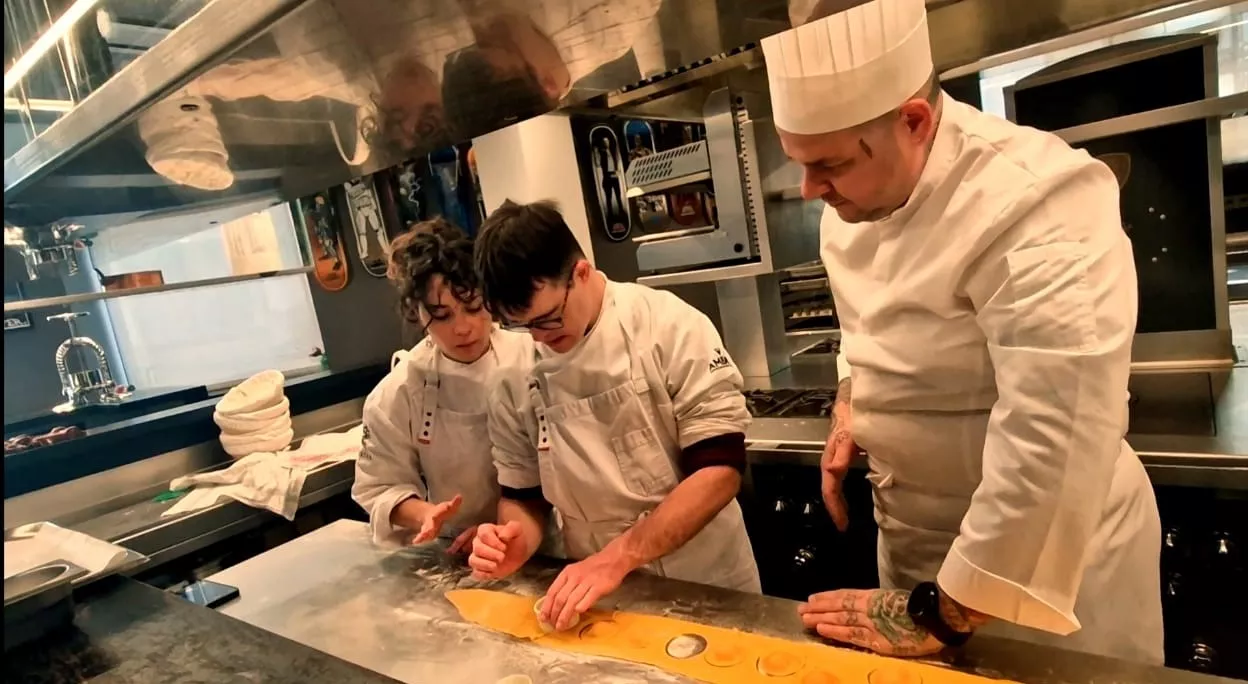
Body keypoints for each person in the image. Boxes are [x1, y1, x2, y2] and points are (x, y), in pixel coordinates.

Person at [762, 0, 1162, 664]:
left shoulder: (1036, 202)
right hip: (914, 555)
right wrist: (851, 403)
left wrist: (943, 613)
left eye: (827, 165)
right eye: (800, 164)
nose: (809, 190)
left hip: (1042, 573)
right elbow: (866, 335)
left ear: (914, 121)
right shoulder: (849, 208)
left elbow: (1057, 433)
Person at [466, 200, 760, 631]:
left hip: (706, 581)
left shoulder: (668, 326)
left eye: (549, 318)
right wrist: (514, 541)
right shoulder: (513, 378)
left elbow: (720, 471)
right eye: (522, 326)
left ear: (582, 273)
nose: (541, 338)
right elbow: (522, 496)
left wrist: (618, 557)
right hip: (598, 596)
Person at [352, 218, 534, 551]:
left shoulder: (532, 359)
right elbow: (378, 486)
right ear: (416, 311)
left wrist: (512, 526)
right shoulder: (400, 390)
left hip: (540, 543)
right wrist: (427, 514)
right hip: (459, 548)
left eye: (473, 307)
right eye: (442, 314)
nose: (462, 327)